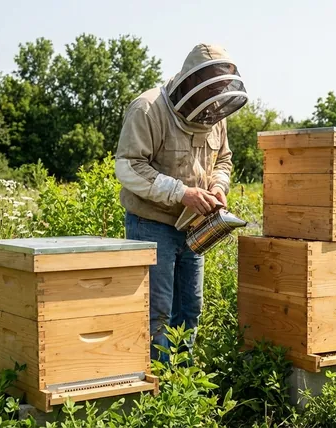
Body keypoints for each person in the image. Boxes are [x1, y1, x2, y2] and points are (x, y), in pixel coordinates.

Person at [114, 43, 248, 362]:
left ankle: (181, 376)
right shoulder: (147, 109)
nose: (208, 109)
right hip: (151, 225)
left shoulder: (216, 111)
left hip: (194, 225)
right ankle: (156, 382)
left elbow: (223, 159)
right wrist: (181, 192)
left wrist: (217, 186)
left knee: (191, 304)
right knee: (157, 310)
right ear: (191, 82)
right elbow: (129, 166)